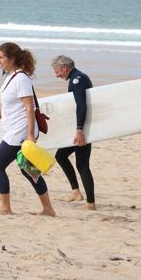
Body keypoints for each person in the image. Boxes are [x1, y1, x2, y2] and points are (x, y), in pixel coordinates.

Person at [0, 42, 56, 216]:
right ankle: (48, 209)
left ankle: (6, 208)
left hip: (21, 131)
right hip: (14, 129)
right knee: (27, 169)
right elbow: (2, 106)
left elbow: (29, 108)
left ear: (12, 58)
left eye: (1, 58)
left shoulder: (21, 78)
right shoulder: (11, 76)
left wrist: (30, 135)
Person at [51, 55, 96, 210]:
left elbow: (81, 106)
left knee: (82, 164)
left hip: (83, 128)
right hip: (81, 127)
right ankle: (76, 192)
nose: (56, 75)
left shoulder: (77, 80)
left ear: (65, 68)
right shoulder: (77, 77)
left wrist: (80, 130)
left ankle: (91, 204)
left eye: (57, 71)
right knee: (61, 156)